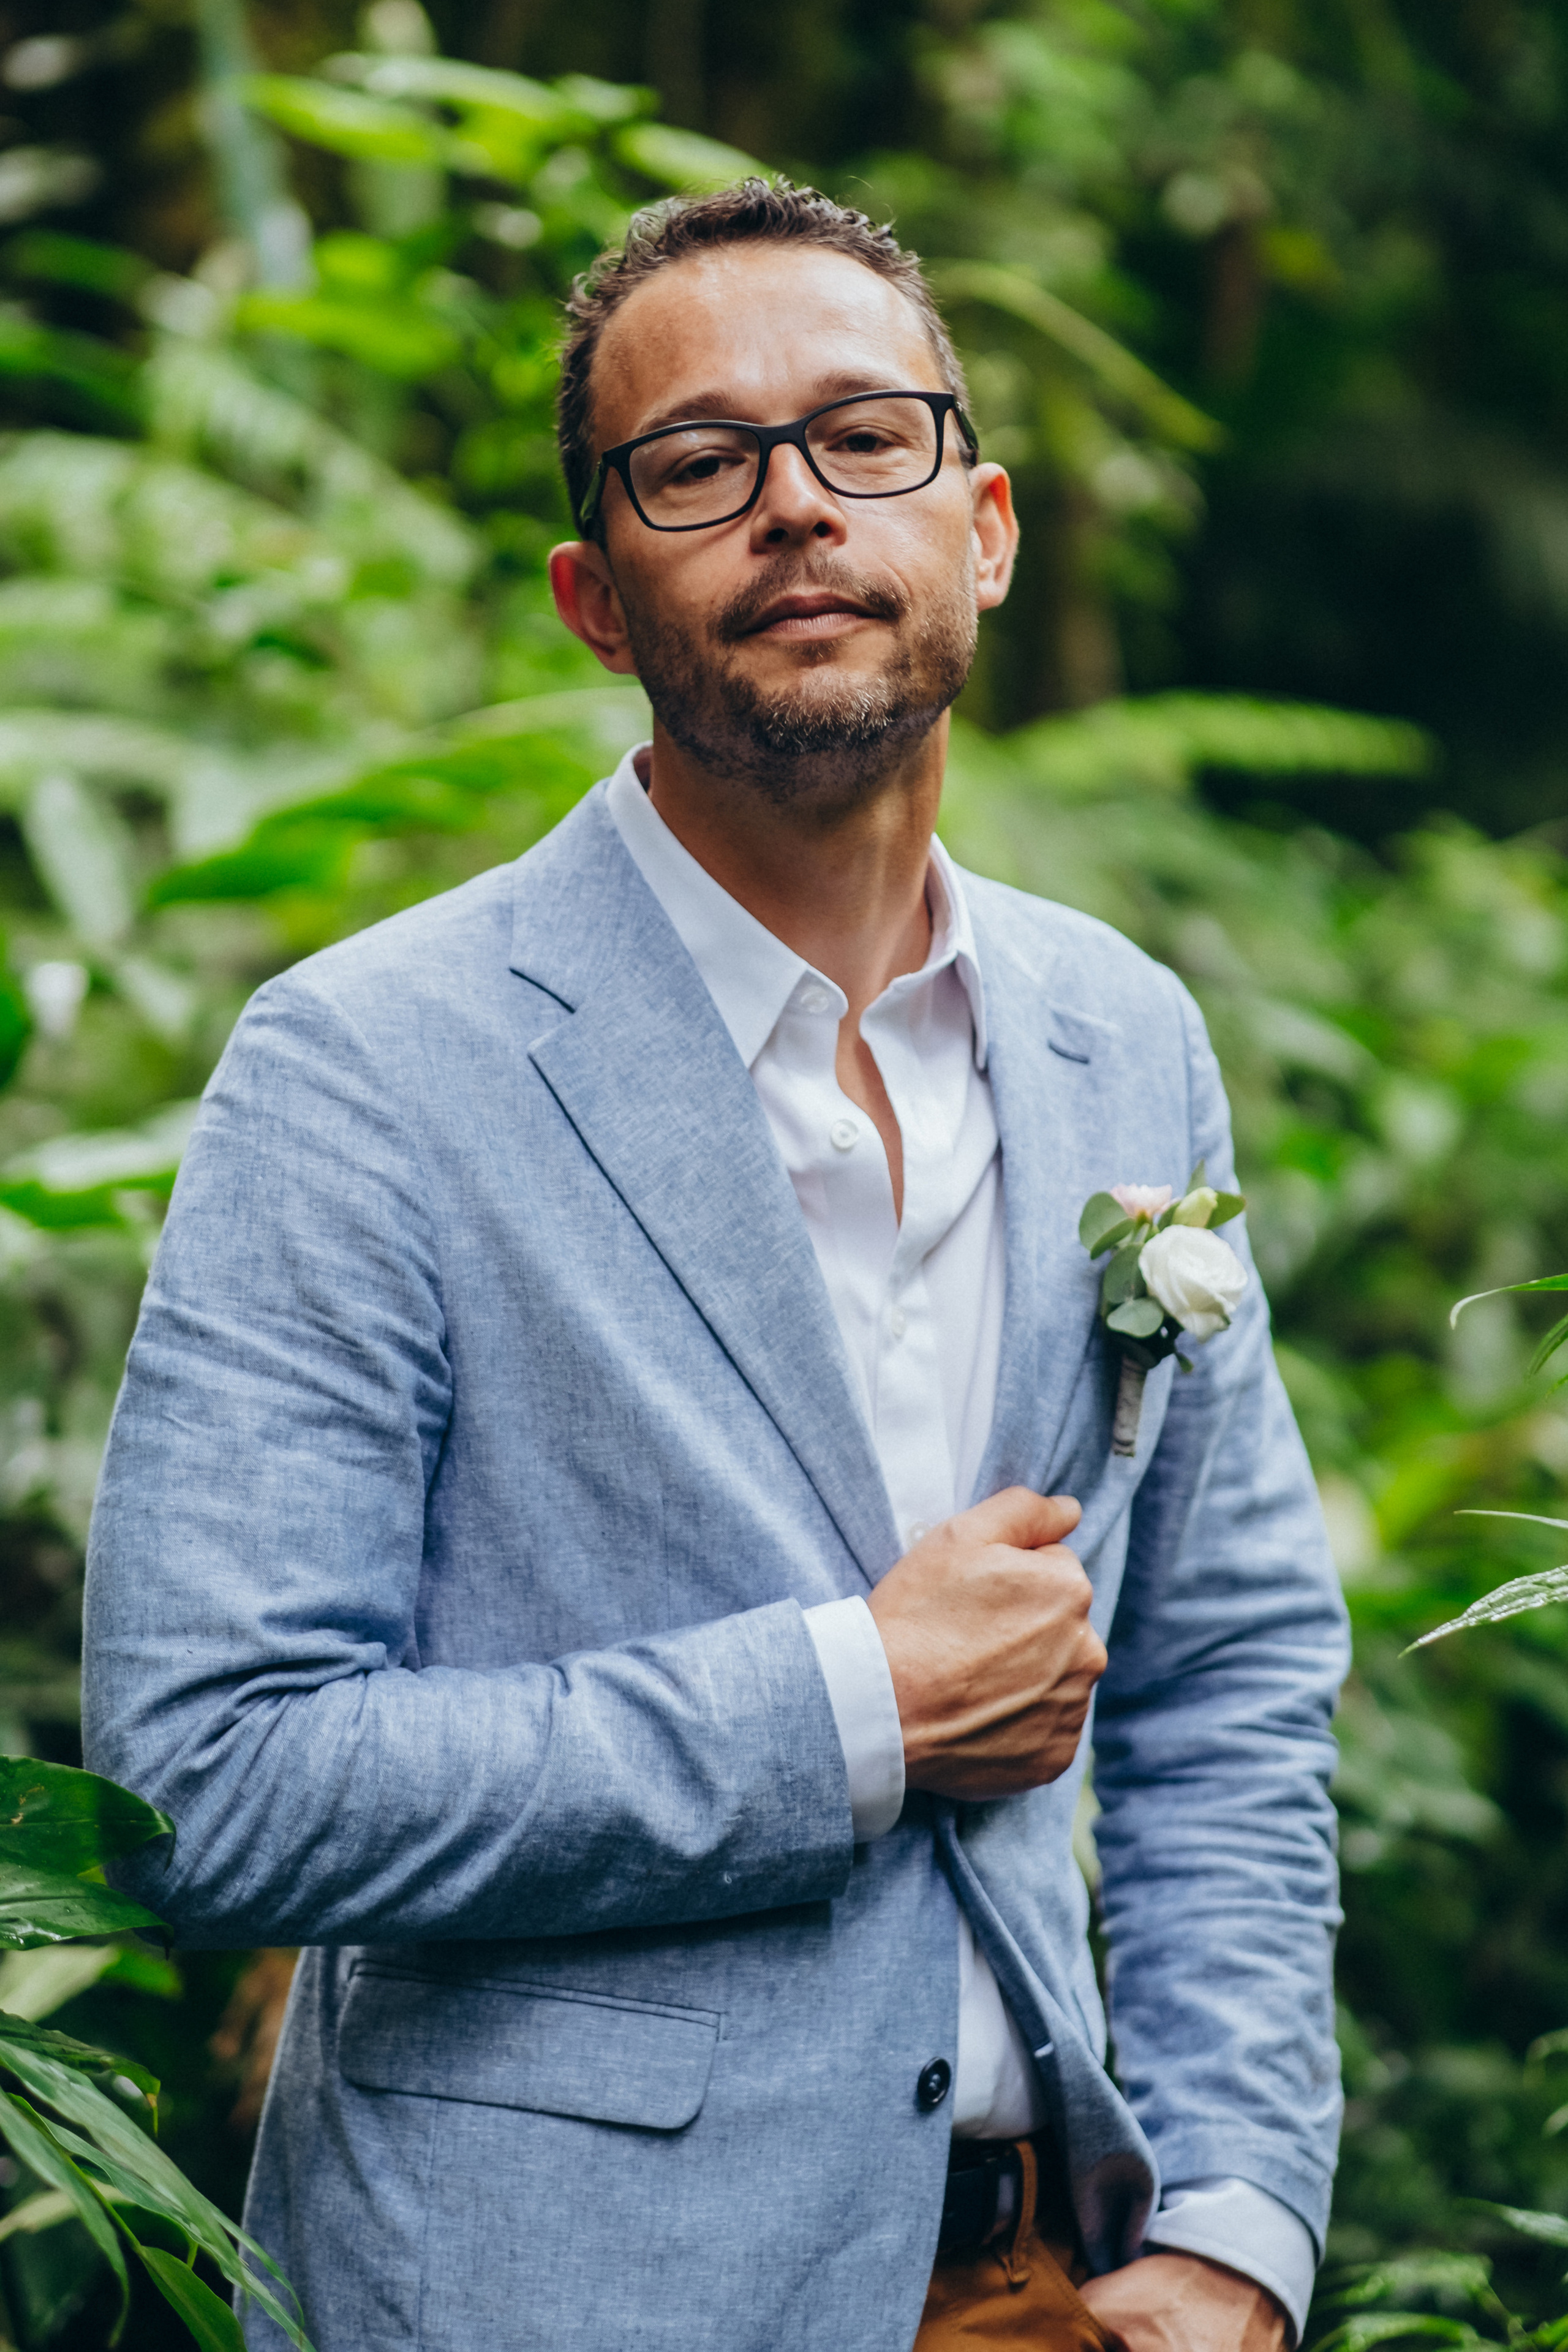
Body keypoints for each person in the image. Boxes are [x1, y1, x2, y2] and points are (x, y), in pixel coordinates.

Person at [82, 180, 1349, 2352]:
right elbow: (205, 1784)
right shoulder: (370, 1066)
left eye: (867, 436)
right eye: (701, 464)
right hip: (548, 2300)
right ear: (597, 594)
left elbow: (1224, 1673)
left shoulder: (1120, 1030)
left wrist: (1238, 2219)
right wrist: (857, 1703)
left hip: (1055, 2282)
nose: (795, 507)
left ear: (988, 524)